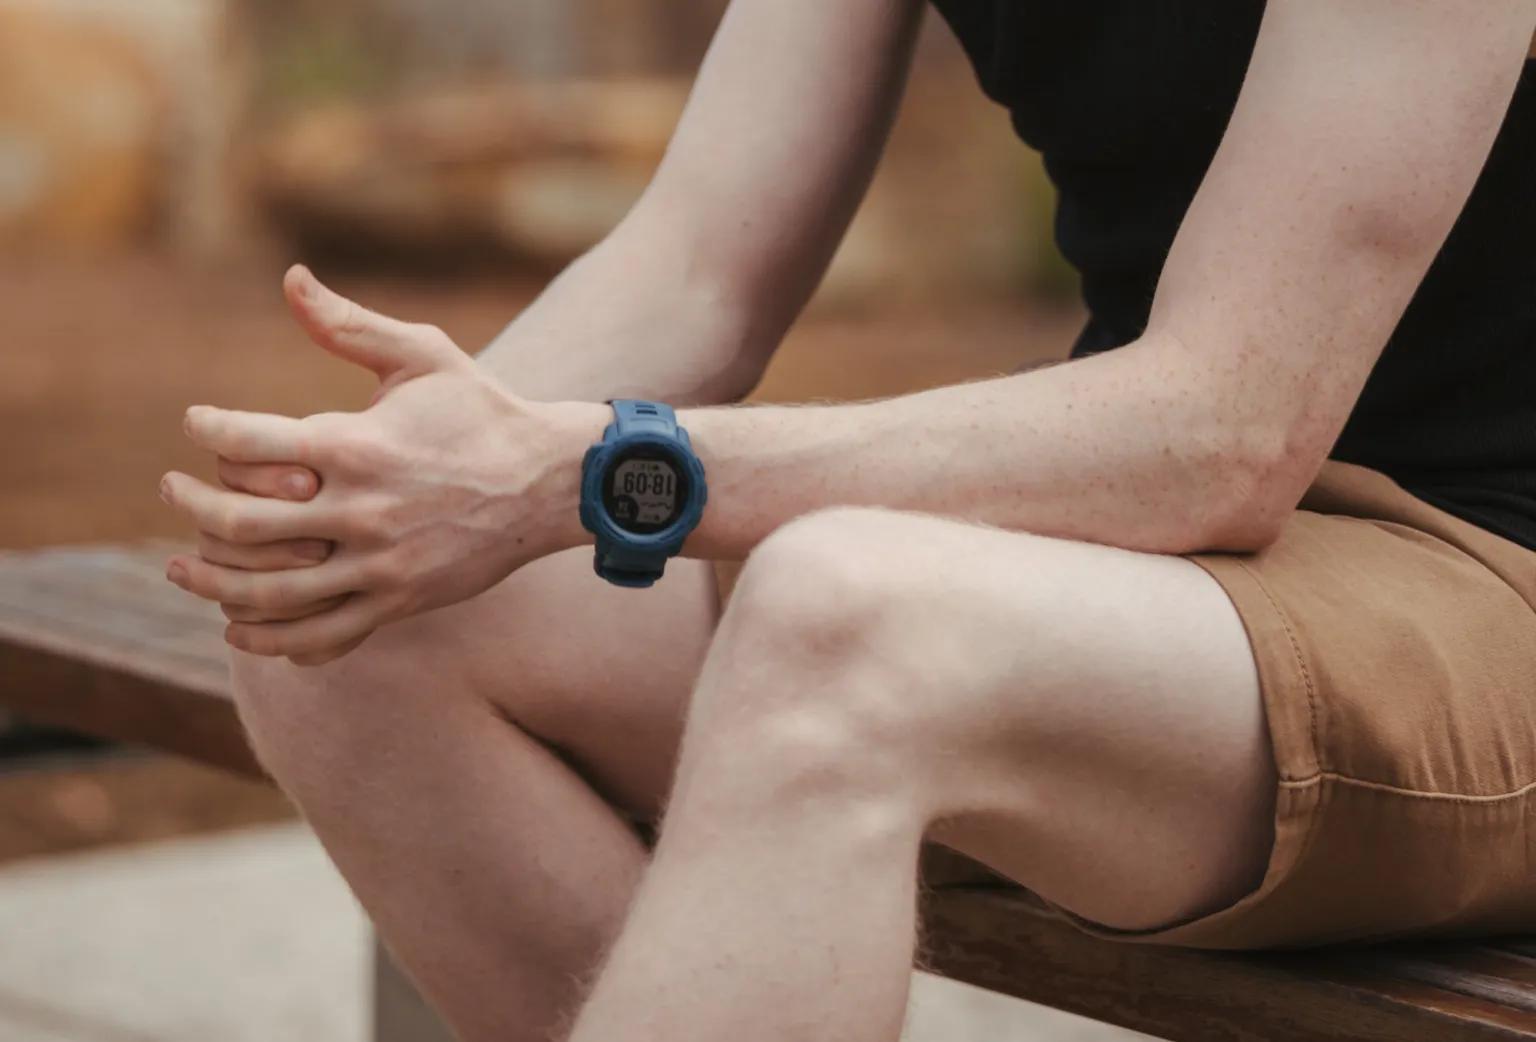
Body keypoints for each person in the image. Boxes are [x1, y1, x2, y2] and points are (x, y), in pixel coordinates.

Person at [159, 3, 1536, 1041]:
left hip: (1480, 577)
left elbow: (1222, 433)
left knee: (850, 618)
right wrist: (414, 473)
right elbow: (697, 265)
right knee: (345, 619)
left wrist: (567, 471)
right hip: (1158, 572)